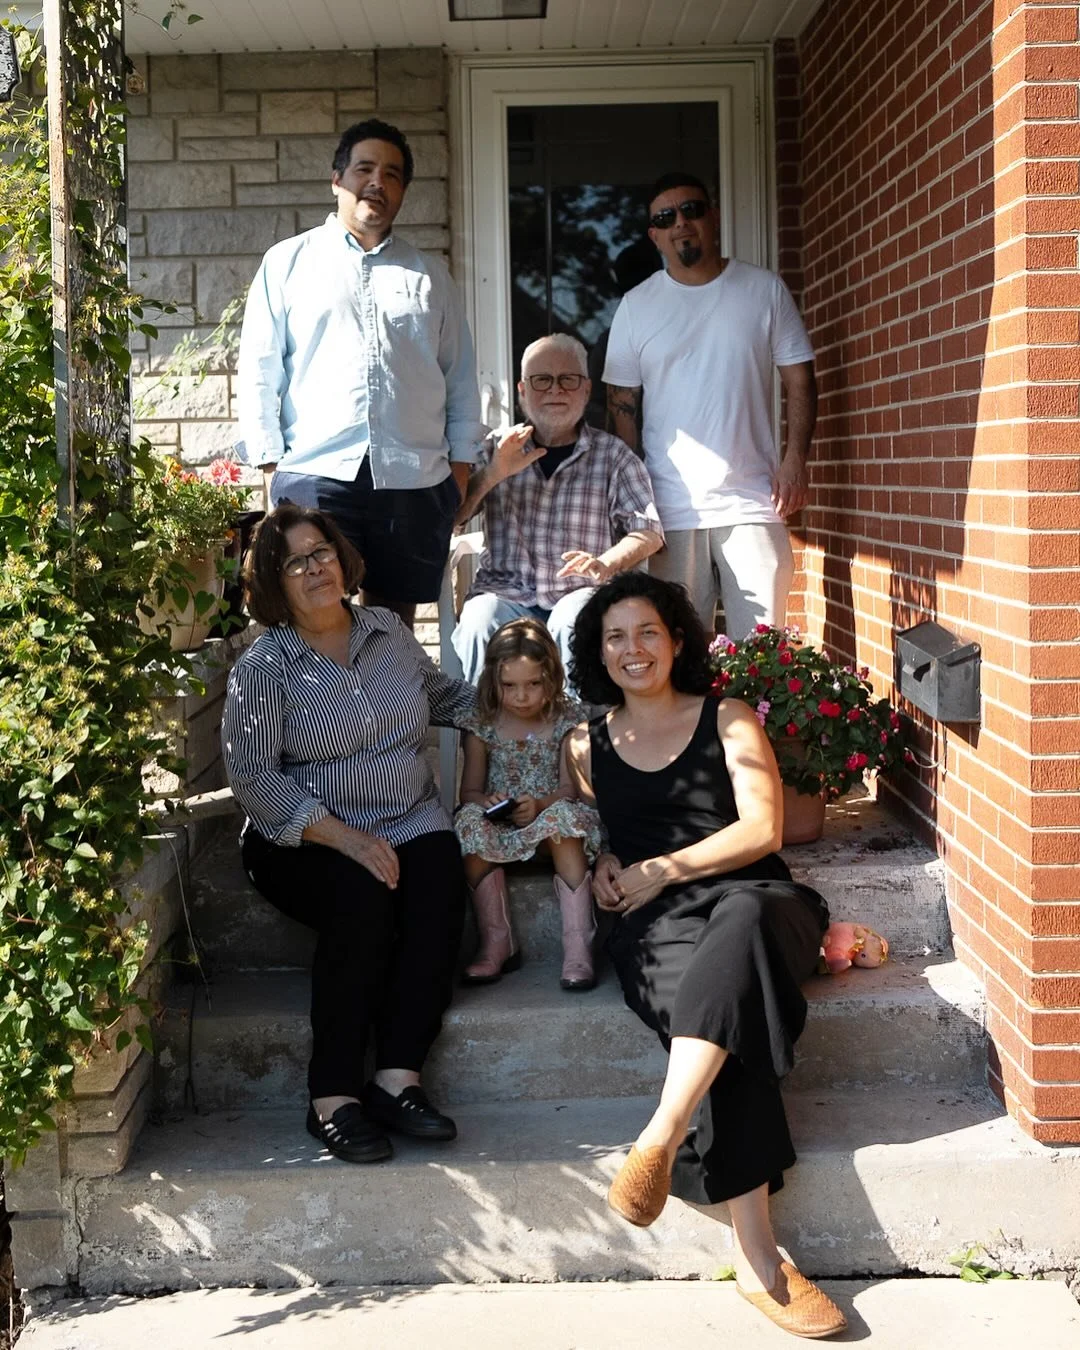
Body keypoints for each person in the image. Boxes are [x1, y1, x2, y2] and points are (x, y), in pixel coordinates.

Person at [564, 573, 845, 1341]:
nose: (633, 649)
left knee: (740, 931)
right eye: (615, 637)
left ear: (678, 639)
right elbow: (586, 831)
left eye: (647, 632)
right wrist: (606, 863)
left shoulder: (727, 718)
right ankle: (757, 1259)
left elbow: (764, 829)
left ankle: (662, 1132)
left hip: (760, 902)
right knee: (721, 1012)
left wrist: (664, 867)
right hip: (657, 927)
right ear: (598, 652)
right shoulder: (584, 745)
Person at [221, 504, 476, 1165]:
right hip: (302, 836)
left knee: (438, 881)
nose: (315, 568)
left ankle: (397, 1080)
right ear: (273, 581)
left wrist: (532, 709)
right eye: (295, 562)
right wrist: (345, 838)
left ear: (341, 556)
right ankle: (332, 1096)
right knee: (361, 900)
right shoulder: (264, 668)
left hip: (407, 816)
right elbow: (253, 778)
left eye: (322, 552)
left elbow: (440, 697)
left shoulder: (387, 630)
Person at [236, 118, 485, 628]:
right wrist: (270, 467)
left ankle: (384, 687)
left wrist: (459, 472)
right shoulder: (288, 263)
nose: (377, 182)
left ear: (403, 190)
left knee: (391, 627)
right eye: (364, 169)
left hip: (413, 479)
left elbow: (459, 378)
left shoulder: (431, 277)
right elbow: (259, 369)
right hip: (317, 473)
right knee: (312, 620)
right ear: (337, 180)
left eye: (392, 174)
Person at [604, 172, 818, 639]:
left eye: (691, 210)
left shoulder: (763, 290)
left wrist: (795, 460)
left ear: (714, 217)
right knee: (676, 654)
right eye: (666, 217)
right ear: (654, 235)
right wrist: (637, 496)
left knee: (762, 651)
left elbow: (800, 380)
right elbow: (621, 403)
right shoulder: (636, 307)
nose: (681, 223)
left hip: (753, 500)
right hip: (670, 510)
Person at [451, 332, 663, 684]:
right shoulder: (493, 449)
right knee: (479, 619)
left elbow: (649, 532)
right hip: (505, 594)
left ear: (586, 389)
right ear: (522, 391)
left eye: (568, 379)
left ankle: (574, 722)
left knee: (574, 619)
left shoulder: (614, 456)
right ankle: (486, 720)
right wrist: (494, 474)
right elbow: (453, 519)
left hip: (580, 593)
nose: (555, 390)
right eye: (542, 380)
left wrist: (606, 563)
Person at [454, 619, 602, 991]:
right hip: (502, 829)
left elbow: (570, 789)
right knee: (468, 822)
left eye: (533, 684)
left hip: (548, 822)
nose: (521, 696)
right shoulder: (481, 724)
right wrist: (487, 801)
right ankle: (497, 940)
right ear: (493, 680)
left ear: (551, 677)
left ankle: (578, 945)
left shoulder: (567, 720)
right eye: (509, 686)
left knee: (565, 819)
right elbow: (468, 792)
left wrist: (539, 805)